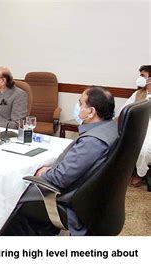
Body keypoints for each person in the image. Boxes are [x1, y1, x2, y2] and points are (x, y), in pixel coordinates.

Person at [31, 86, 118, 235]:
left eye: (80, 103)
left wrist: (42, 174)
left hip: (71, 204)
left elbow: (59, 179)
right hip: (91, 200)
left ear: (91, 112)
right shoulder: (111, 128)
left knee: (14, 197)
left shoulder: (92, 142)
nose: (77, 107)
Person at [121, 76, 151, 186]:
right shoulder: (138, 93)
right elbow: (124, 109)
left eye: (143, 75)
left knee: (145, 148)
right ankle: (125, 171)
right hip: (137, 124)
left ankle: (140, 173)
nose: (140, 78)